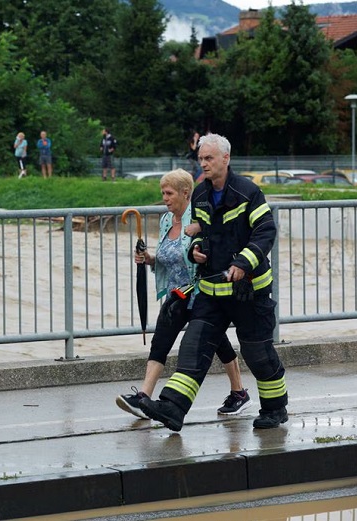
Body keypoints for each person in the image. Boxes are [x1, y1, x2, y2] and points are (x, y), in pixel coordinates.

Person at [139, 133, 288, 431]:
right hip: (211, 292)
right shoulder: (201, 196)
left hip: (249, 293)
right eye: (201, 159)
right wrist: (196, 252)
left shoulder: (248, 192)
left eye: (208, 159)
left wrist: (243, 263)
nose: (203, 164)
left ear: (225, 159)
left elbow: (265, 230)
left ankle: (274, 409)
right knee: (193, 348)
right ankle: (172, 409)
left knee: (258, 354)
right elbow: (204, 235)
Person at [115, 168, 250, 420]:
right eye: (162, 193)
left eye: (168, 193)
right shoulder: (167, 220)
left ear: (185, 193)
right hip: (177, 295)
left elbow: (211, 252)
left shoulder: (198, 220)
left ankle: (239, 393)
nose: (164, 198)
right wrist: (148, 258)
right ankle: (143, 396)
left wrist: (202, 253)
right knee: (161, 341)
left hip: (202, 294)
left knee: (218, 342)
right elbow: (167, 259)